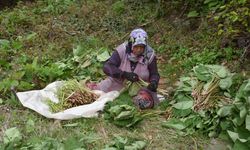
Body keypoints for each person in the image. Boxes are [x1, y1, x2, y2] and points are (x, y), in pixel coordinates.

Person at [87, 28, 160, 107]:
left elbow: (154, 73)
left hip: (138, 89)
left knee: (143, 104)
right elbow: (107, 67)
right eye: (136, 47)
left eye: (142, 47)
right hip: (116, 84)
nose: (139, 50)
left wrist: (154, 82)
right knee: (95, 97)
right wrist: (124, 74)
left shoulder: (149, 55)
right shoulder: (122, 50)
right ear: (131, 44)